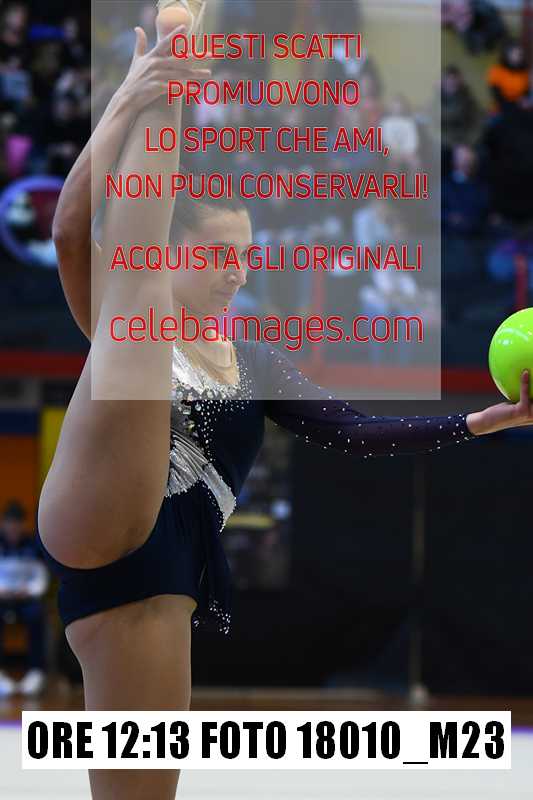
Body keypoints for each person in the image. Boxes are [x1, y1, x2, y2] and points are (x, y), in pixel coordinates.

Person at [36, 3, 533, 799]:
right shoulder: (125, 307)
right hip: (101, 508)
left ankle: (170, 70)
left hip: (168, 567)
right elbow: (69, 231)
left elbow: (355, 433)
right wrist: (128, 99)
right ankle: (168, 71)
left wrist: (484, 420)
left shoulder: (255, 362)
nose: (236, 273)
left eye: (243, 257)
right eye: (216, 255)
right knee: (135, 298)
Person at [0, 500, 49, 697]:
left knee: (36, 614)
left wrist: (29, 590)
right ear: (3, 524)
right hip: (2, 599)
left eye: (17, 523)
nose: (13, 528)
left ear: (23, 525)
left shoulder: (33, 546)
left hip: (26, 599)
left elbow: (41, 577)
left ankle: (36, 671)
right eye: (9, 523)